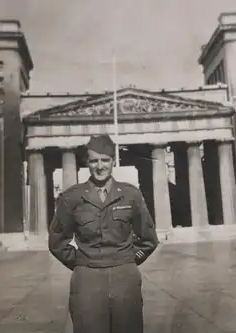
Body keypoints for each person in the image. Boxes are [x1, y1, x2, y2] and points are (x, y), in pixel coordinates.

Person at [48, 134, 159, 333]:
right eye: (94, 161)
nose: (100, 166)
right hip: (87, 279)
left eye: (105, 160)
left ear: (113, 161)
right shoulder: (71, 197)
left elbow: (149, 238)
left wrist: (127, 260)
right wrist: (82, 262)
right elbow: (57, 241)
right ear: (87, 163)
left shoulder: (131, 194)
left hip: (124, 277)